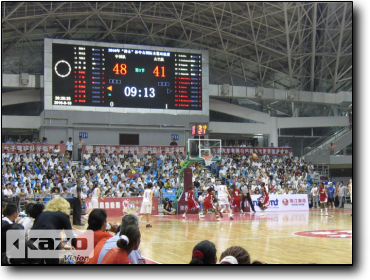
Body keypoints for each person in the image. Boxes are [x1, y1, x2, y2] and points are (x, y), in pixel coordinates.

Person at [31, 197, 77, 264]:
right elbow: (70, 237)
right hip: (48, 239)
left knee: (38, 261)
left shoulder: (42, 214)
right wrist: (79, 246)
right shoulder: (64, 216)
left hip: (33, 239)